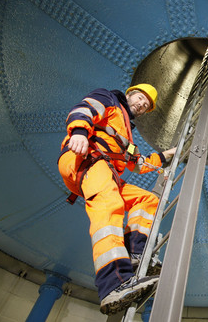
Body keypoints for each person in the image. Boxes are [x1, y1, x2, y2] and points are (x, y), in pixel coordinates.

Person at [58, 84, 176, 315]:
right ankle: (113, 284)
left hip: (107, 171)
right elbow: (85, 108)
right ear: (129, 94)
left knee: (146, 199)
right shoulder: (109, 98)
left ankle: (135, 253)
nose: (142, 105)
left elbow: (138, 163)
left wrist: (165, 156)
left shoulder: (125, 133)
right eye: (140, 98)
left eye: (146, 106)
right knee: (109, 206)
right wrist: (80, 132)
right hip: (86, 159)